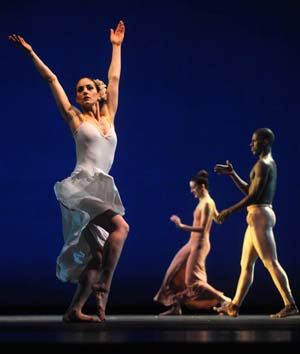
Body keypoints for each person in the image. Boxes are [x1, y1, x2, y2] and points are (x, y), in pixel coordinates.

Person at [9, 20, 129, 323]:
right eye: (79, 90)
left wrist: (116, 46)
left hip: (100, 187)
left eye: (88, 87)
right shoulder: (75, 118)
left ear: (97, 93)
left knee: (95, 254)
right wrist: (31, 52)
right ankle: (105, 282)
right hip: (81, 188)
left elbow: (114, 78)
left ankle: (74, 310)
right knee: (121, 228)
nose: (83, 92)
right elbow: (51, 80)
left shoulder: (109, 116)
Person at [214, 128, 298, 318]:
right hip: (256, 217)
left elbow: (253, 196)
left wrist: (228, 211)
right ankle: (234, 306)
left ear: (265, 142)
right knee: (246, 264)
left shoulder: (263, 165)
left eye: (255, 141)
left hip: (260, 215)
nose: (251, 144)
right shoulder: (266, 164)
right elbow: (251, 191)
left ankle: (290, 304)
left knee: (270, 262)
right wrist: (233, 174)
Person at [153, 170, 231, 315]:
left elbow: (202, 229)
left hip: (200, 245)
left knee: (193, 282)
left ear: (202, 187)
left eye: (193, 188)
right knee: (173, 272)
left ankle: (224, 299)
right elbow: (218, 220)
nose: (192, 191)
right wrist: (222, 215)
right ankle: (176, 307)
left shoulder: (207, 203)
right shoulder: (205, 202)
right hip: (192, 243)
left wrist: (182, 226)